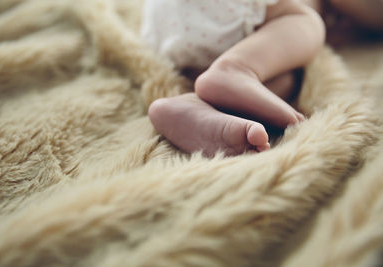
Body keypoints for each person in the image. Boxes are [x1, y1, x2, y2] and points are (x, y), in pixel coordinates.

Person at [140, 0, 373, 157]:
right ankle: (235, 68)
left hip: (172, 28)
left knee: (286, 75)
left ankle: (198, 105)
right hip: (227, 9)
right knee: (307, 22)